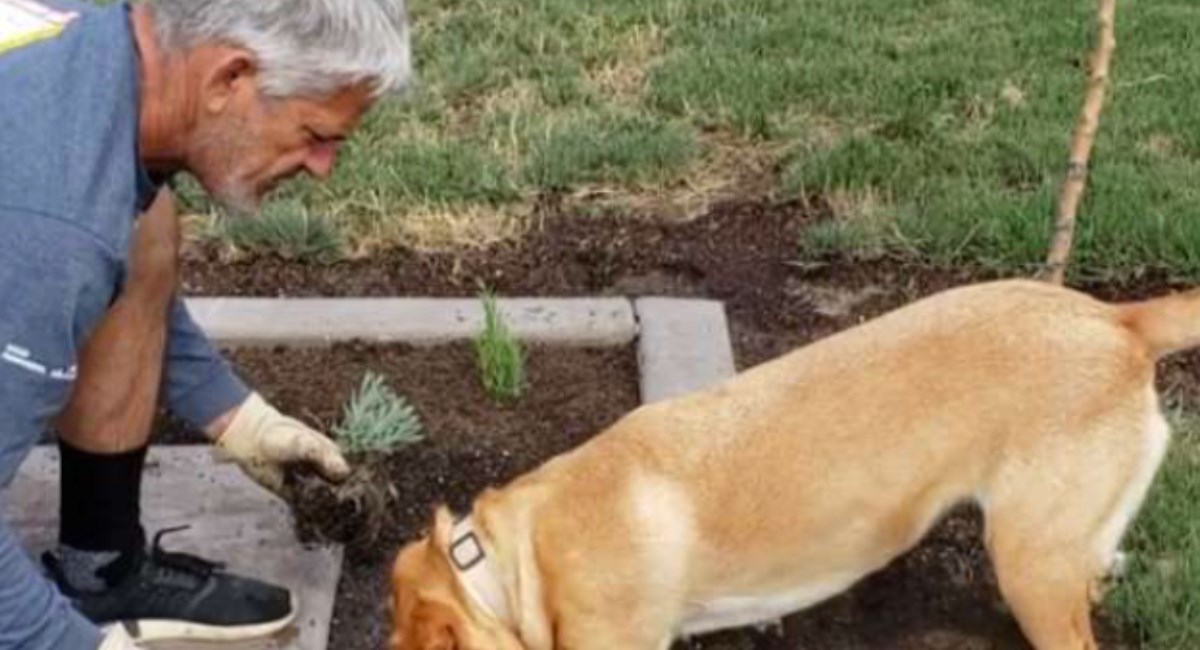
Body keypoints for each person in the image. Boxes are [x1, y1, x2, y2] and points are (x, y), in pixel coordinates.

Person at [0, 0, 412, 647]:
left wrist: (233, 414)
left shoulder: (107, 48)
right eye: (315, 135)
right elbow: (56, 242)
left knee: (148, 215)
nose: (323, 168)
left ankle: (100, 569)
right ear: (229, 79)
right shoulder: (49, 226)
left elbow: (110, 248)